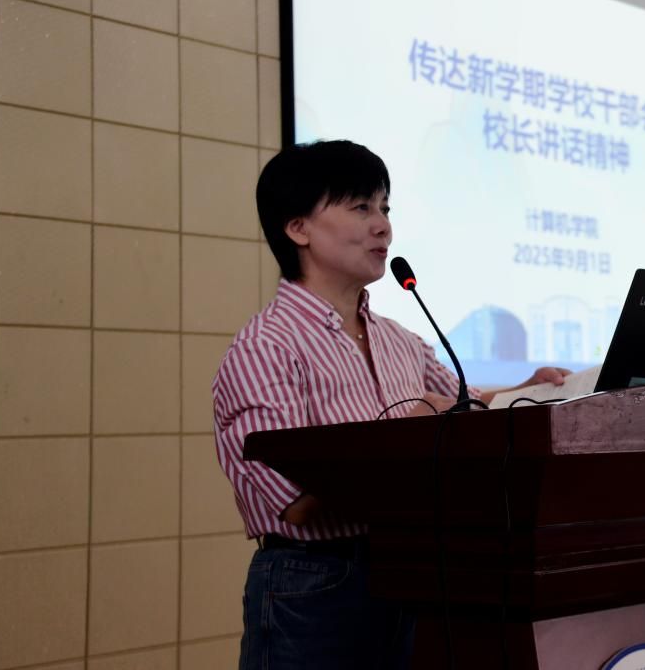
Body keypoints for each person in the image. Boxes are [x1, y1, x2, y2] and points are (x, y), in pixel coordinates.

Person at [213, 139, 569, 670]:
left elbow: (465, 406)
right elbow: (296, 503)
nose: (383, 226)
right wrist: (411, 437)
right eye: (361, 207)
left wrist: (530, 389)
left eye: (385, 208)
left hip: (409, 569)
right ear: (298, 228)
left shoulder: (400, 339)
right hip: (314, 581)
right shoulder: (265, 347)